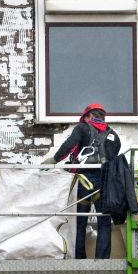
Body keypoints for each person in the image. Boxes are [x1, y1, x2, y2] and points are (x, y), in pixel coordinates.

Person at [52, 102, 121, 259]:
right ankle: (102, 260)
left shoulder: (83, 128)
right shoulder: (113, 135)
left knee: (80, 221)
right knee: (104, 221)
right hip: (104, 182)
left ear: (89, 116)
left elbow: (69, 145)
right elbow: (114, 156)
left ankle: (80, 259)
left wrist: (55, 159)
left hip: (84, 180)